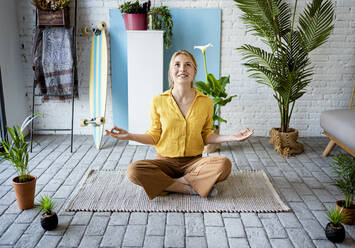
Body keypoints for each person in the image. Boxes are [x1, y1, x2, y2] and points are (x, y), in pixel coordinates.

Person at [106, 50, 254, 200]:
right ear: (171, 72)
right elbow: (154, 136)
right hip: (164, 162)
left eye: (188, 65)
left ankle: (169, 184)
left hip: (194, 163)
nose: (182, 69)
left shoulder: (206, 102)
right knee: (134, 171)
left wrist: (232, 137)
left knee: (224, 165)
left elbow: (206, 135)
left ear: (194, 71)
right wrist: (129, 136)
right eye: (177, 65)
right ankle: (190, 188)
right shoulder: (158, 101)